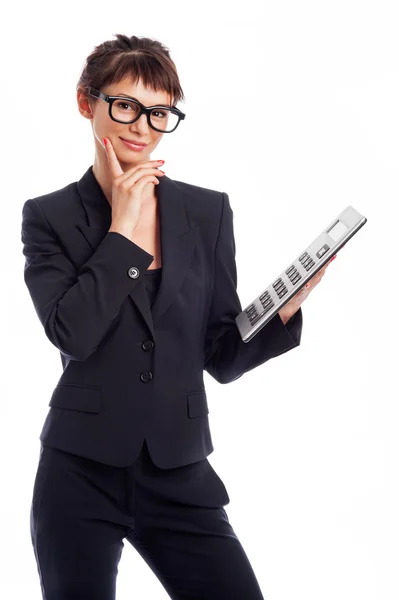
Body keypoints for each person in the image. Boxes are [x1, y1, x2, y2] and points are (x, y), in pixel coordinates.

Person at [21, 33, 335, 600]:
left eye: (159, 112)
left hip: (180, 470)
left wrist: (284, 311)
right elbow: (72, 332)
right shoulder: (50, 217)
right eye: (125, 105)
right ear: (85, 102)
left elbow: (219, 356)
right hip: (79, 472)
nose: (142, 126)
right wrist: (123, 227)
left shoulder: (206, 211)